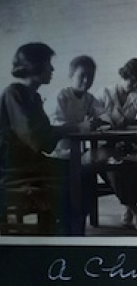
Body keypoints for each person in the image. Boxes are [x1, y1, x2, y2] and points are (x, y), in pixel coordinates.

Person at [0, 42, 92, 235]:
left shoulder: (32, 96)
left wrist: (59, 131)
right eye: (48, 63)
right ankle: (68, 236)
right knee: (77, 176)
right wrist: (75, 127)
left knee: (83, 172)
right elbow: (38, 139)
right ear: (34, 65)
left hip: (30, 164)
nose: (52, 69)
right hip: (12, 169)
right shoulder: (13, 94)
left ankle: (71, 235)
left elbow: (46, 143)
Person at [98, 58, 137, 230]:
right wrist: (117, 123)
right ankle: (135, 211)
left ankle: (128, 209)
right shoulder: (104, 93)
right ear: (125, 75)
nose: (133, 85)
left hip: (130, 144)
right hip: (107, 145)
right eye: (131, 80)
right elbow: (96, 121)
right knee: (115, 171)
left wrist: (121, 123)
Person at [49, 55, 110, 158]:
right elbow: (55, 126)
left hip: (76, 151)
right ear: (71, 75)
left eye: (90, 76)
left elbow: (105, 116)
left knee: (105, 158)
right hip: (56, 153)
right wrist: (81, 126)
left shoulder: (89, 98)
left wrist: (97, 122)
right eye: (82, 76)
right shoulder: (60, 96)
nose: (86, 80)